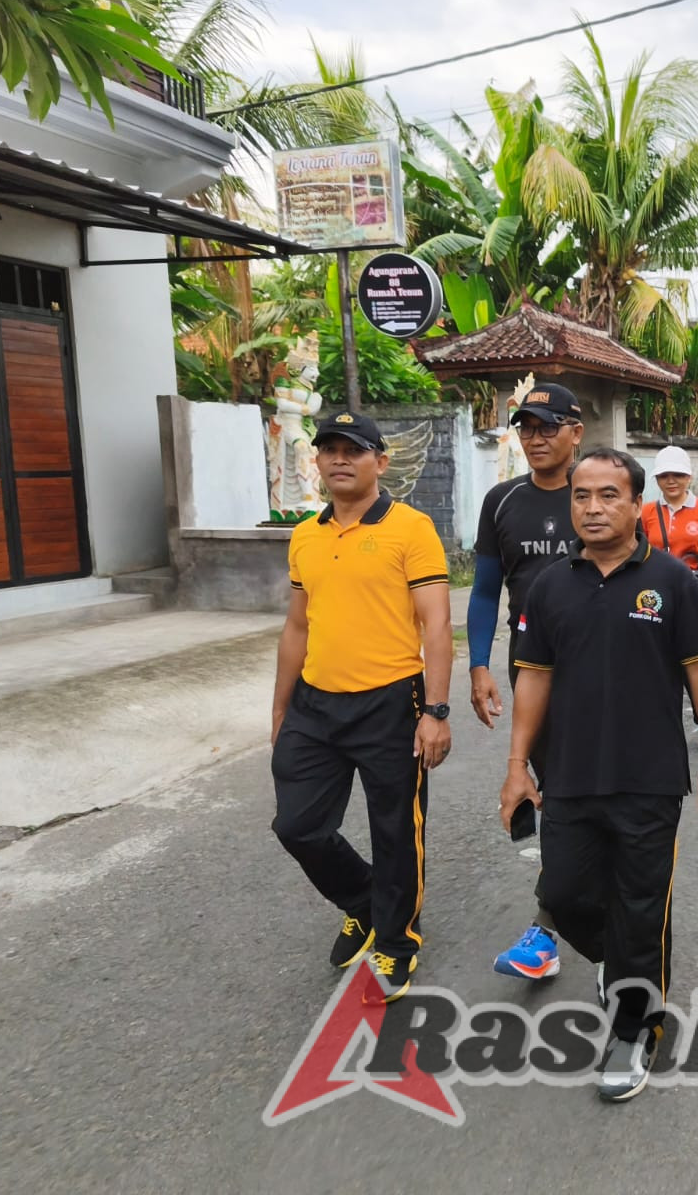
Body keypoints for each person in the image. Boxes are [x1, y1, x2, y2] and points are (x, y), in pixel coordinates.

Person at [501, 447, 698, 1103]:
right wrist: (517, 766)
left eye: (609, 495)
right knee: (566, 894)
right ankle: (620, 960)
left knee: (640, 906)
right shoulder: (550, 586)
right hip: (569, 775)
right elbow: (533, 679)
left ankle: (635, 1028)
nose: (593, 508)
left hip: (650, 779)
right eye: (582, 496)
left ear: (637, 504)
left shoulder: (671, 580)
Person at [270, 412, 453, 1006]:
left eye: (355, 449)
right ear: (318, 462)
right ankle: (361, 900)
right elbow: (297, 627)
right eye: (329, 449)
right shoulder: (305, 534)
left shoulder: (411, 528)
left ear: (381, 461)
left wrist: (437, 710)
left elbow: (437, 623)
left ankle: (397, 941)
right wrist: (279, 711)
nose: (340, 459)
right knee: (298, 826)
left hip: (391, 703)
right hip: (314, 706)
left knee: (396, 831)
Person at [467, 382, 584, 984]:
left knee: (593, 797)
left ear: (575, 433)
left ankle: (585, 913)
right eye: (525, 427)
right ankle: (550, 927)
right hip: (531, 671)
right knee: (559, 794)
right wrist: (480, 664)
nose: (534, 438)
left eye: (547, 426)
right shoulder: (501, 501)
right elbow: (487, 589)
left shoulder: (600, 495)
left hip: (601, 673)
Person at [641, 446, 698, 626]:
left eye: (678, 475)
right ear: (656, 479)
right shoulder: (646, 511)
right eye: (664, 476)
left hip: (694, 588)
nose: (671, 481)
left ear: (689, 477)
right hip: (658, 590)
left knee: (696, 645)